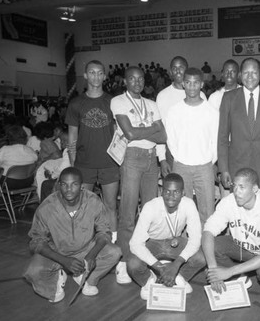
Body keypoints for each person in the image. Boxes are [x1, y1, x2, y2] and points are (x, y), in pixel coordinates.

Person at [24, 167, 121, 303]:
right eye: (64, 184)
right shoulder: (47, 207)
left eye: (74, 184)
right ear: (59, 185)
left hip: (85, 248)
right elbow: (36, 241)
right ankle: (56, 281)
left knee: (114, 252)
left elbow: (104, 232)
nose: (69, 189)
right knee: (33, 271)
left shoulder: (93, 201)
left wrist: (91, 255)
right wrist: (64, 260)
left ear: (82, 186)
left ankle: (86, 279)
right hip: (56, 251)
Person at [111, 66, 167, 285]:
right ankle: (125, 261)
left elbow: (163, 136)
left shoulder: (152, 104)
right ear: (125, 81)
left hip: (151, 158)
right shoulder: (118, 101)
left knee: (150, 212)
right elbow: (129, 133)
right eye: (132, 79)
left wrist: (138, 131)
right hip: (132, 158)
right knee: (127, 212)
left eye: (141, 79)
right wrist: (148, 130)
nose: (137, 82)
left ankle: (149, 259)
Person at [202, 168, 260, 301]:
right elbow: (207, 232)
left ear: (255, 189)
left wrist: (228, 272)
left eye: (242, 187)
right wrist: (213, 270)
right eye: (234, 186)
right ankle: (239, 277)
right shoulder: (228, 201)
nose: (236, 192)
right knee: (211, 246)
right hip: (242, 247)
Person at [66, 60, 121, 243]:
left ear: (105, 76)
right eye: (92, 72)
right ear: (85, 75)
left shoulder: (113, 102)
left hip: (109, 163)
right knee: (82, 206)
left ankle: (112, 245)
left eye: (100, 73)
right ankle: (81, 243)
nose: (96, 76)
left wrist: (120, 157)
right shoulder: (76, 103)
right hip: (84, 164)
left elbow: (118, 132)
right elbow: (72, 135)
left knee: (110, 206)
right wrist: (74, 162)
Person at [128, 173, 206, 299]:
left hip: (175, 242)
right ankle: (149, 281)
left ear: (183, 193)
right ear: (161, 192)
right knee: (132, 264)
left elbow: (195, 240)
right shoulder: (150, 207)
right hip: (151, 243)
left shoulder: (189, 204)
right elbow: (135, 244)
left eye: (176, 192)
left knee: (202, 257)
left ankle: (178, 277)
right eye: (167, 191)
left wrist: (176, 265)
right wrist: (158, 266)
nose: (171, 196)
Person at [218, 58, 260, 195]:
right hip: (236, 166)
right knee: (239, 210)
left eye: (254, 72)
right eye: (246, 73)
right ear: (240, 75)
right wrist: (223, 169)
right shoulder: (228, 98)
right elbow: (222, 137)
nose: (250, 77)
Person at [164, 68, 219, 225]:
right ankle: (183, 243)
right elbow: (171, 139)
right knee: (181, 209)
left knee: (208, 210)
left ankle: (206, 245)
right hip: (181, 166)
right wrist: (180, 157)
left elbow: (215, 141)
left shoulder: (212, 111)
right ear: (183, 84)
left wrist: (209, 160)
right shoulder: (174, 110)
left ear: (202, 84)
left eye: (196, 83)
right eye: (188, 83)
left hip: (204, 167)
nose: (192, 87)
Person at [156, 56, 207, 177]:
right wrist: (162, 159)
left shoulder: (201, 95)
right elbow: (160, 129)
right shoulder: (162, 96)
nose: (178, 71)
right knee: (175, 191)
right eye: (174, 68)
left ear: (187, 70)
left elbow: (206, 128)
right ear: (170, 72)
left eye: (181, 68)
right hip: (172, 152)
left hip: (197, 150)